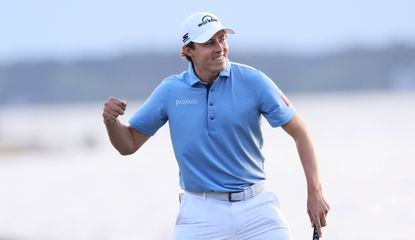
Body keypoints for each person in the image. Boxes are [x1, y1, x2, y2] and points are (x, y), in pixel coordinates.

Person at [102, 11, 330, 240]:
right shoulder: (170, 91)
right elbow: (128, 144)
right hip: (200, 215)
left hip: (257, 209)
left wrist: (315, 192)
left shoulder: (254, 81)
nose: (219, 47)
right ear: (187, 51)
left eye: (222, 39)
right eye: (209, 42)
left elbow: (300, 132)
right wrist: (111, 122)